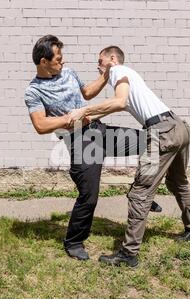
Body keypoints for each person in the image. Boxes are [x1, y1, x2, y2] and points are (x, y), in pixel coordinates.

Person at [24, 35, 162, 261]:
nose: (62, 61)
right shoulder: (33, 91)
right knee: (89, 195)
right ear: (43, 62)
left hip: (99, 130)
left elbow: (87, 92)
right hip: (79, 140)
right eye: (58, 58)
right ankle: (74, 241)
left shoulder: (68, 73)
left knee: (153, 141)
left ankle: (140, 191)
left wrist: (107, 73)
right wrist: (74, 119)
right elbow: (41, 125)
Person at [69, 46, 190, 267]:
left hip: (161, 133)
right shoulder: (129, 75)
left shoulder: (116, 71)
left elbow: (119, 102)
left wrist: (83, 111)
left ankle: (128, 254)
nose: (98, 66)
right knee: (177, 182)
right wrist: (89, 116)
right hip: (179, 127)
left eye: (100, 61)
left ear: (112, 59)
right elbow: (116, 106)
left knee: (139, 194)